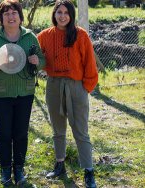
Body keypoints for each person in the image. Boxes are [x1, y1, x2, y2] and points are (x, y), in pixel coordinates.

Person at [0, 0, 45, 186]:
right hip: (1, 94)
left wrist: (36, 61)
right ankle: (5, 170)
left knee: (21, 133)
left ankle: (20, 170)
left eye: (14, 12)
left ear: (20, 16)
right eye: (6, 13)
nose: (11, 16)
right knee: (5, 133)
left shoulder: (30, 37)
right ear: (1, 18)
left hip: (25, 92)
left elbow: (42, 59)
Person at [37, 0, 98, 187]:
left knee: (80, 130)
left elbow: (89, 63)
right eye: (59, 12)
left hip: (76, 86)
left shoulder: (81, 35)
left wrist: (85, 88)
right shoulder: (44, 36)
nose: (62, 16)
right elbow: (37, 56)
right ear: (54, 14)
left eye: (66, 12)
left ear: (71, 15)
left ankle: (88, 171)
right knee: (57, 129)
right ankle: (60, 164)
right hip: (54, 85)